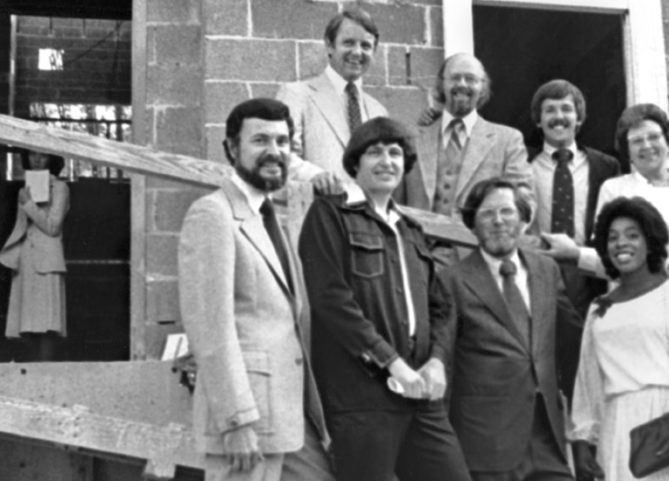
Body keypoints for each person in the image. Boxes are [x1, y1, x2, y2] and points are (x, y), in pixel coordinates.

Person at [298, 117, 472, 481]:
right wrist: (391, 362)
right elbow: (331, 299)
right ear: (354, 165)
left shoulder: (411, 230)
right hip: (361, 397)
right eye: (374, 152)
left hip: (420, 395)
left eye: (395, 153)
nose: (386, 161)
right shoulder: (331, 215)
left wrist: (437, 362)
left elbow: (441, 308)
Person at [177, 98, 333, 481]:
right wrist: (235, 421)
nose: (274, 151)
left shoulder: (267, 217)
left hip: (288, 415)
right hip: (247, 419)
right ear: (232, 148)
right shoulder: (212, 213)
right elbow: (210, 328)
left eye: (282, 141)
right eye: (260, 140)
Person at [569, 196, 669, 481]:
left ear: (650, 242)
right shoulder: (599, 307)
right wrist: (583, 438)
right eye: (612, 238)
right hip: (618, 426)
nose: (621, 243)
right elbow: (588, 379)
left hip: (668, 420)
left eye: (632, 235)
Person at [439, 177, 578, 481]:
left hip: (548, 435)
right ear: (472, 226)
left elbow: (571, 346)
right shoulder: (451, 281)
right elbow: (443, 362)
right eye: (487, 214)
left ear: (524, 220)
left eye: (507, 212)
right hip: (487, 442)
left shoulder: (547, 270)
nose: (498, 221)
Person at [542, 103, 669, 288]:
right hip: (641, 294)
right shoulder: (615, 189)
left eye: (654, 137)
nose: (646, 145)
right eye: (636, 141)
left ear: (668, 141)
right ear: (627, 151)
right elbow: (608, 256)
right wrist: (576, 255)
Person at [524, 80, 620, 401]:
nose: (558, 116)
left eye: (566, 109)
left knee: (588, 365)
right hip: (539, 273)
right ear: (538, 120)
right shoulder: (522, 162)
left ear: (579, 117)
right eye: (549, 110)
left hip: (587, 275)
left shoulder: (605, 166)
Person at [395, 53, 531, 220]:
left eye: (471, 79)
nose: (462, 84)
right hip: (420, 243)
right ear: (441, 85)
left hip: (477, 244)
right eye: (455, 78)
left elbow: (524, 202)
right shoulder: (410, 139)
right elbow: (394, 203)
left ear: (482, 87)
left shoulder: (507, 140)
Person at [276, 6, 388, 188]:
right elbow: (280, 154)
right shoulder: (297, 95)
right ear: (329, 45)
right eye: (349, 43)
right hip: (317, 211)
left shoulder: (379, 112)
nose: (357, 52)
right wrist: (315, 176)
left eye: (366, 46)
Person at [1, 151, 69, 361]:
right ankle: (32, 372)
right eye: (32, 155)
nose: (37, 160)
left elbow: (52, 227)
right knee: (26, 325)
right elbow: (22, 227)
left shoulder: (60, 188)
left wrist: (28, 204)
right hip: (26, 262)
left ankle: (45, 372)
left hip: (48, 261)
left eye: (43, 156)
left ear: (52, 160)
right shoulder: (25, 188)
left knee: (47, 325)